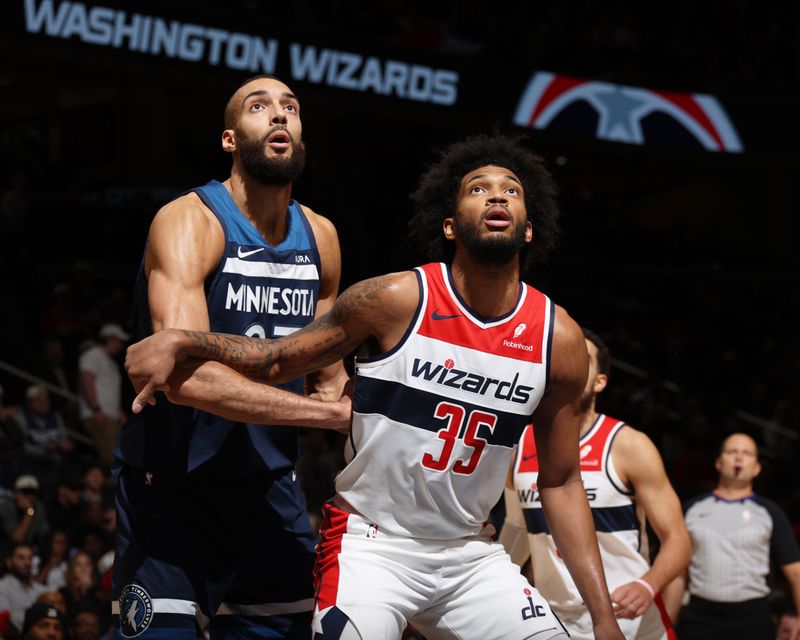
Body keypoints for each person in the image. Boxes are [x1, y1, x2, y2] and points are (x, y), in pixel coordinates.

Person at [125, 134, 625, 640]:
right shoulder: (392, 300)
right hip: (371, 546)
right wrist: (182, 340)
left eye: (511, 191)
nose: (497, 196)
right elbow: (276, 360)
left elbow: (560, 482)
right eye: (478, 188)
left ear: (529, 227)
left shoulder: (557, 338)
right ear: (449, 225)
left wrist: (603, 620)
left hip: (471, 554)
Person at [112, 74, 349, 640]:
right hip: (172, 487)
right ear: (229, 138)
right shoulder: (191, 219)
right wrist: (327, 415)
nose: (278, 115)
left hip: (270, 491)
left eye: (290, 107)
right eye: (259, 106)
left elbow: (330, 381)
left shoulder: (322, 237)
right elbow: (185, 381)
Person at [500, 328, 691, 639]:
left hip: (626, 615)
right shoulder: (519, 446)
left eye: (582, 359)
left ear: (600, 381)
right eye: (559, 358)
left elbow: (678, 540)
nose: (569, 365)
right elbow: (518, 529)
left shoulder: (629, 445)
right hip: (551, 616)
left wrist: (648, 585)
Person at [666, 433, 800, 640]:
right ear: (719, 463)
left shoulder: (770, 512)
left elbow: (796, 573)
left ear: (756, 468)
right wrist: (666, 625)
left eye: (746, 453)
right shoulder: (692, 509)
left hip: (753, 619)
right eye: (732, 452)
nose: (738, 457)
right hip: (700, 618)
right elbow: (677, 573)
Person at [78, 323, 129, 468]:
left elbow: (110, 391)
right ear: (109, 339)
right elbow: (87, 380)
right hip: (99, 414)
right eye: (118, 341)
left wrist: (121, 415)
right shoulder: (92, 354)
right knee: (110, 458)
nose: (120, 345)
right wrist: (96, 409)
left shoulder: (111, 363)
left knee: (120, 454)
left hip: (111, 416)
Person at [0, 543, 48, 633]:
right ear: (9, 562)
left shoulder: (42, 590)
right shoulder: (2, 587)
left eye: (30, 558)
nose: (27, 563)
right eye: (21, 558)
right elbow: (6, 620)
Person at [0, 475, 50, 550]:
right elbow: (18, 538)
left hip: (31, 550)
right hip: (7, 551)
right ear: (15, 492)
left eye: (32, 492)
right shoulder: (6, 507)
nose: (29, 496)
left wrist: (30, 510)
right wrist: (28, 512)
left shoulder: (38, 507)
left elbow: (43, 534)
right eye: (25, 492)